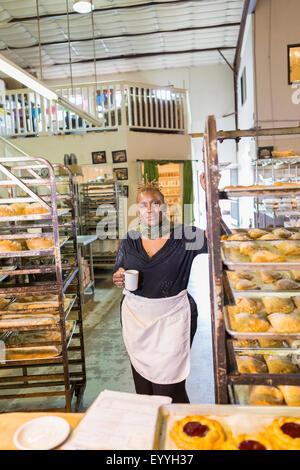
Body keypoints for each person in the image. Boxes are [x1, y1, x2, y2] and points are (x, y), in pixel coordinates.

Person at [112, 177, 209, 403]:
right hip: (136, 320)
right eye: (142, 204)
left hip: (172, 319)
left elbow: (217, 237)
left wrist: (209, 193)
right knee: (144, 389)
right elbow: (119, 272)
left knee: (170, 390)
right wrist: (118, 278)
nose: (148, 209)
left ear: (164, 207)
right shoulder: (130, 241)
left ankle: (181, 433)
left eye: (154, 203)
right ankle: (152, 430)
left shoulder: (185, 237)